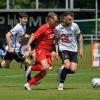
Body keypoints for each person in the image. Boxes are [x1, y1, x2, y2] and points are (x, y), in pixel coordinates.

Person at [24, 12, 58, 90]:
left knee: (45, 71)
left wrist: (56, 52)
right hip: (40, 50)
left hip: (48, 52)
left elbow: (54, 40)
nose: (56, 22)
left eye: (57, 21)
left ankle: (28, 84)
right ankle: (30, 68)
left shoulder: (54, 29)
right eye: (55, 21)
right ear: (50, 20)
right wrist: (28, 44)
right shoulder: (43, 27)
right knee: (45, 67)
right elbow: (34, 36)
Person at [55, 12, 84, 90]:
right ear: (64, 19)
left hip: (73, 50)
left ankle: (61, 71)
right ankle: (61, 84)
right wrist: (57, 52)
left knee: (73, 70)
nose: (71, 21)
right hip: (63, 49)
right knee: (67, 65)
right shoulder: (58, 28)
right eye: (69, 19)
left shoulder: (75, 26)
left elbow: (80, 36)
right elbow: (56, 40)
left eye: (72, 19)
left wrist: (81, 48)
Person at [0, 12, 32, 81]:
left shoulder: (24, 26)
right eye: (24, 19)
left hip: (11, 51)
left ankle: (29, 81)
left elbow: (22, 37)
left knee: (4, 65)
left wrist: (29, 36)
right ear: (20, 19)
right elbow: (7, 35)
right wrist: (10, 47)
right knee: (29, 63)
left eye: (26, 19)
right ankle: (29, 82)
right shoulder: (18, 27)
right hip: (14, 51)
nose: (26, 20)